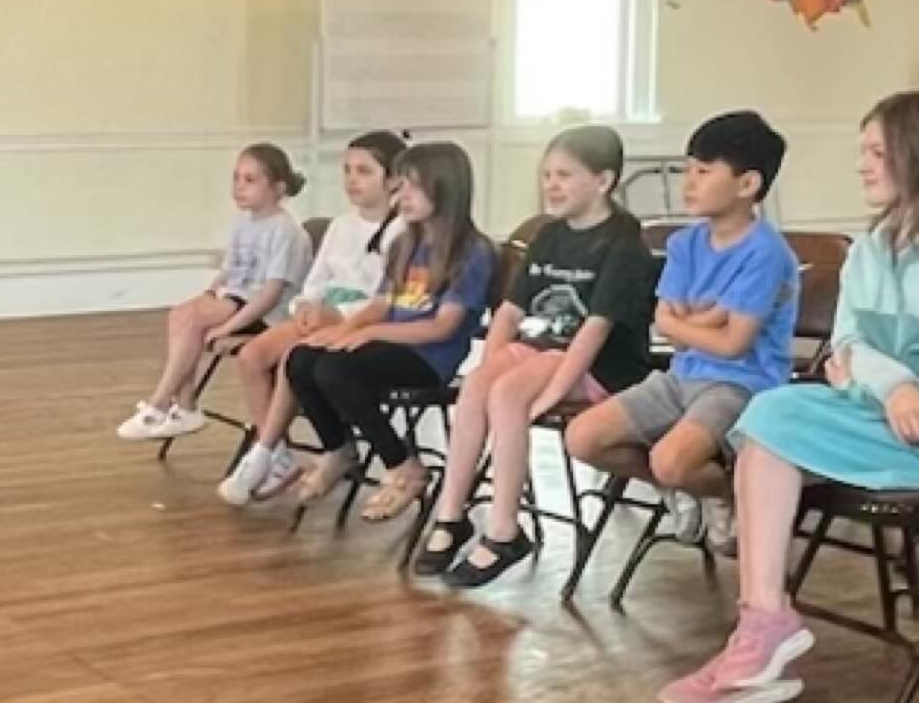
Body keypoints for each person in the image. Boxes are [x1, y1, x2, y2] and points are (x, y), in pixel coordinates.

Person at [660, 90, 919, 703]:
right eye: (864, 151)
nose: (863, 165)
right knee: (770, 415)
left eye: (877, 151)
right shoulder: (873, 247)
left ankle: (763, 624)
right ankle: (762, 620)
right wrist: (894, 384)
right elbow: (845, 347)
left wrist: (893, 386)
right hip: (879, 413)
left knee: (770, 418)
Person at [418, 125, 655, 587]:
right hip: (542, 348)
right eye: (546, 174)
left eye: (564, 175)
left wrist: (554, 390)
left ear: (603, 182)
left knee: (508, 394)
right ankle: (451, 512)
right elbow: (510, 310)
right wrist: (488, 364)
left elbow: (594, 331)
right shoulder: (548, 237)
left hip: (599, 365)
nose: (551, 185)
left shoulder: (623, 245)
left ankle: (504, 529)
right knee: (478, 386)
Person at [564, 112, 797, 561]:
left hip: (741, 384)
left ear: (747, 184)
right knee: (583, 438)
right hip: (680, 376)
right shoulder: (683, 245)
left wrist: (684, 323)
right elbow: (668, 327)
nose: (688, 182)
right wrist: (705, 320)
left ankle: (728, 491)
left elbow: (733, 345)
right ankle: (687, 485)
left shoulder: (766, 252)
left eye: (704, 172)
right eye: (688, 169)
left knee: (670, 460)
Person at [280, 141, 494, 518]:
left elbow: (443, 327)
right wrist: (344, 331)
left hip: (429, 357)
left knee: (335, 370)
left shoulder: (472, 251)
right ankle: (338, 449)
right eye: (400, 187)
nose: (402, 196)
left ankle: (402, 467)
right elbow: (381, 305)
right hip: (394, 342)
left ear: (444, 189)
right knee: (302, 358)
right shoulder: (406, 244)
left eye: (414, 187)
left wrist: (371, 335)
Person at [217, 131, 408, 506]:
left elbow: (388, 298)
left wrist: (338, 314)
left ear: (393, 180)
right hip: (320, 316)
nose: (352, 179)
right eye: (347, 170)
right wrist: (303, 306)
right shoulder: (341, 226)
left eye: (364, 171)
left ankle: (263, 450)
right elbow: (316, 281)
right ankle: (277, 454)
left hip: (360, 324)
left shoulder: (403, 231)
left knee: (293, 359)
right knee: (252, 356)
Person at [116, 145, 314, 441]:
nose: (239, 187)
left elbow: (271, 293)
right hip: (236, 299)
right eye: (236, 178)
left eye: (250, 180)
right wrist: (210, 292)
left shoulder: (285, 230)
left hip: (268, 314)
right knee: (182, 313)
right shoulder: (243, 222)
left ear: (278, 187)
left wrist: (227, 327)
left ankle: (159, 403)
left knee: (195, 318)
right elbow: (229, 270)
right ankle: (184, 407)